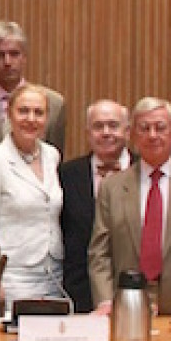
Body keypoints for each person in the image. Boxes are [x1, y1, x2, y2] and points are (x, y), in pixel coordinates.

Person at [88, 98, 171, 316]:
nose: (152, 135)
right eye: (144, 128)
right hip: (125, 309)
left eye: (160, 128)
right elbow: (99, 254)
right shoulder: (112, 187)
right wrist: (105, 301)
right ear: (132, 135)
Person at [0, 85, 65, 304]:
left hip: (54, 273)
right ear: (9, 114)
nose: (31, 119)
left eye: (38, 112)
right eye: (23, 111)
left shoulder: (52, 155)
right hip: (13, 276)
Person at [59, 100, 130, 310]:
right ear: (88, 133)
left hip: (132, 292)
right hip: (79, 293)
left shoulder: (144, 172)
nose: (106, 132)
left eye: (113, 125)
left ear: (127, 131)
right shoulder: (66, 174)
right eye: (99, 126)